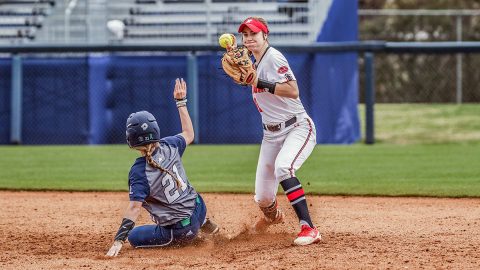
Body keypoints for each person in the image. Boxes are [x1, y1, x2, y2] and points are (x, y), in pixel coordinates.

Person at [106, 78, 218, 257]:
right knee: (191, 200)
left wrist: (119, 239)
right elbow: (189, 133)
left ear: (131, 140)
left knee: (134, 237)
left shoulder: (139, 171)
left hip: (180, 232)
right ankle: (208, 226)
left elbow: (134, 208)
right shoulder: (170, 145)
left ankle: (193, 236)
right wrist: (181, 102)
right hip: (199, 208)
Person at [235, 17, 321, 246]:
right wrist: (253, 79)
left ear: (265, 36)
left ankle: (309, 228)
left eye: (254, 33)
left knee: (284, 167)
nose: (249, 38)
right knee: (263, 197)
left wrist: (261, 83)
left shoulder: (272, 57)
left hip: (297, 127)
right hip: (271, 135)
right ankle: (274, 218)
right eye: (245, 35)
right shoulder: (252, 63)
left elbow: (293, 90)